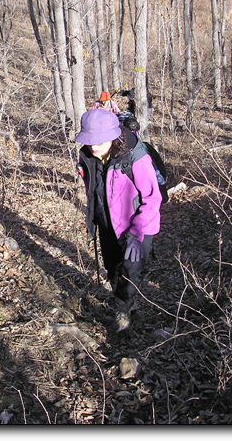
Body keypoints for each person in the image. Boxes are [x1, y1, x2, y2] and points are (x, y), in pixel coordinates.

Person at [75, 108, 162, 332]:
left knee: (130, 273)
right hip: (107, 223)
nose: (93, 145)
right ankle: (127, 308)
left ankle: (123, 315)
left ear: (113, 136)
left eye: (99, 140)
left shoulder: (135, 155)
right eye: (89, 139)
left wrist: (137, 233)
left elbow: (153, 198)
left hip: (137, 225)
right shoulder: (87, 156)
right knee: (113, 269)